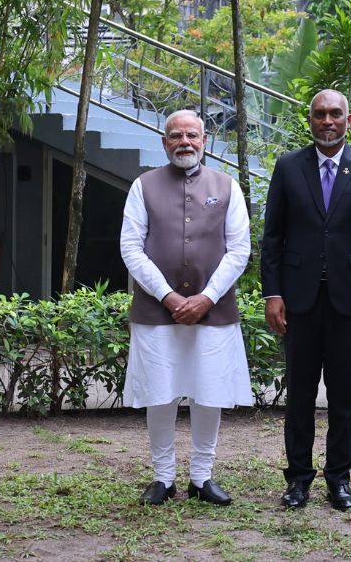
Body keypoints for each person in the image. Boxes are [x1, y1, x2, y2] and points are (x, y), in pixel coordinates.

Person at [260, 89, 351, 512]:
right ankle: (298, 479)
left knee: (342, 396)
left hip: (348, 303)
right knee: (298, 395)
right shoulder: (288, 166)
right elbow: (272, 237)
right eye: (320, 114)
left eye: (336, 113)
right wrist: (272, 293)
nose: (328, 121)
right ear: (310, 120)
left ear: (348, 121)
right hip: (298, 302)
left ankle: (339, 478)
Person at [120, 109, 253, 506]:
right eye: (176, 136)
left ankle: (201, 476)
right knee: (159, 393)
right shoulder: (143, 186)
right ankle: (163, 478)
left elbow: (239, 249)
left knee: (208, 392)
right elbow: (131, 247)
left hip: (213, 311)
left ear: (204, 141)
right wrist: (168, 296)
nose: (185, 142)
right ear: (165, 142)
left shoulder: (227, 186)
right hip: (156, 311)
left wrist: (207, 297)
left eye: (192, 135)